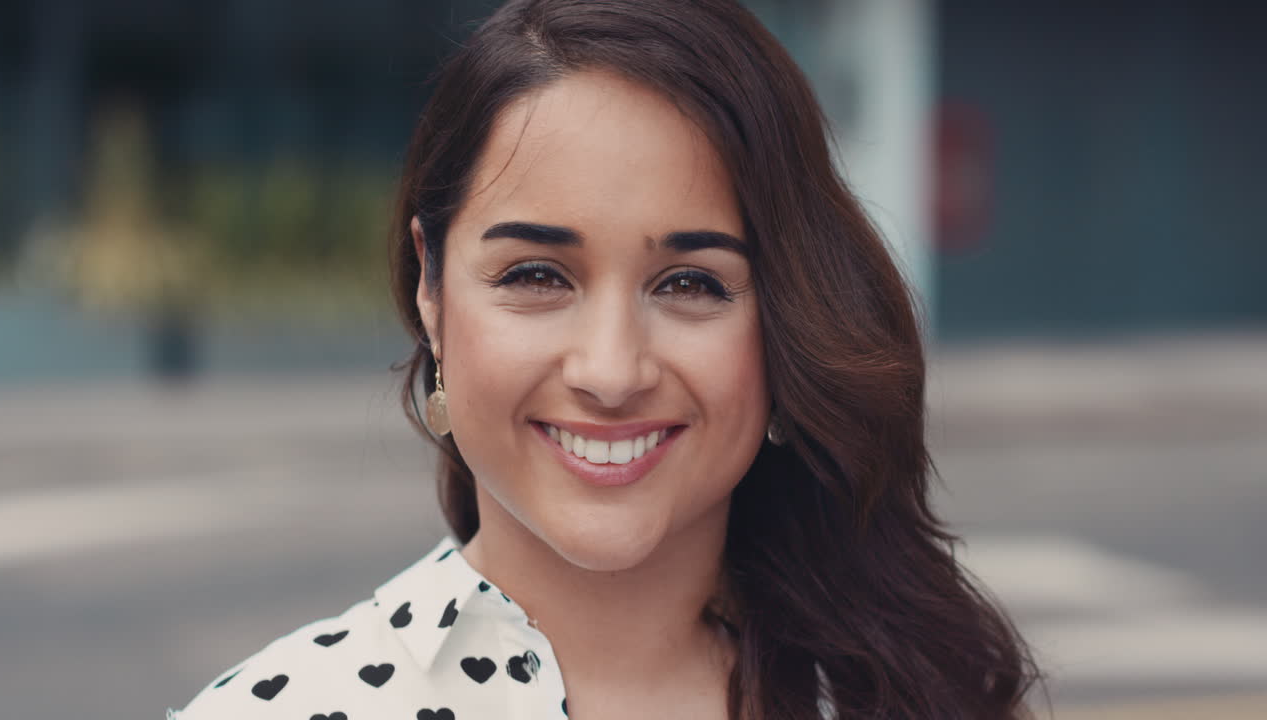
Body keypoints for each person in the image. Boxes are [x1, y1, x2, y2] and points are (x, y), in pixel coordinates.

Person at [169, 0, 1043, 718]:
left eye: (691, 284)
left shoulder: (900, 699)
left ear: (787, 315)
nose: (612, 371)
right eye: (538, 275)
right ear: (432, 292)